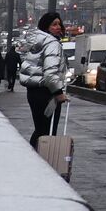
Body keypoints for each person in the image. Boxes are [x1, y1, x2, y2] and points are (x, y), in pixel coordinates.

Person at [18, 12, 69, 148]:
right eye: (54, 24)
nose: (58, 27)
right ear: (46, 27)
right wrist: (58, 93)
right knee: (48, 132)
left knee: (40, 130)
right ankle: (41, 160)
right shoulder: (52, 44)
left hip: (34, 92)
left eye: (59, 24)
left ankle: (34, 157)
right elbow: (50, 74)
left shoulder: (38, 42)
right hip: (47, 94)